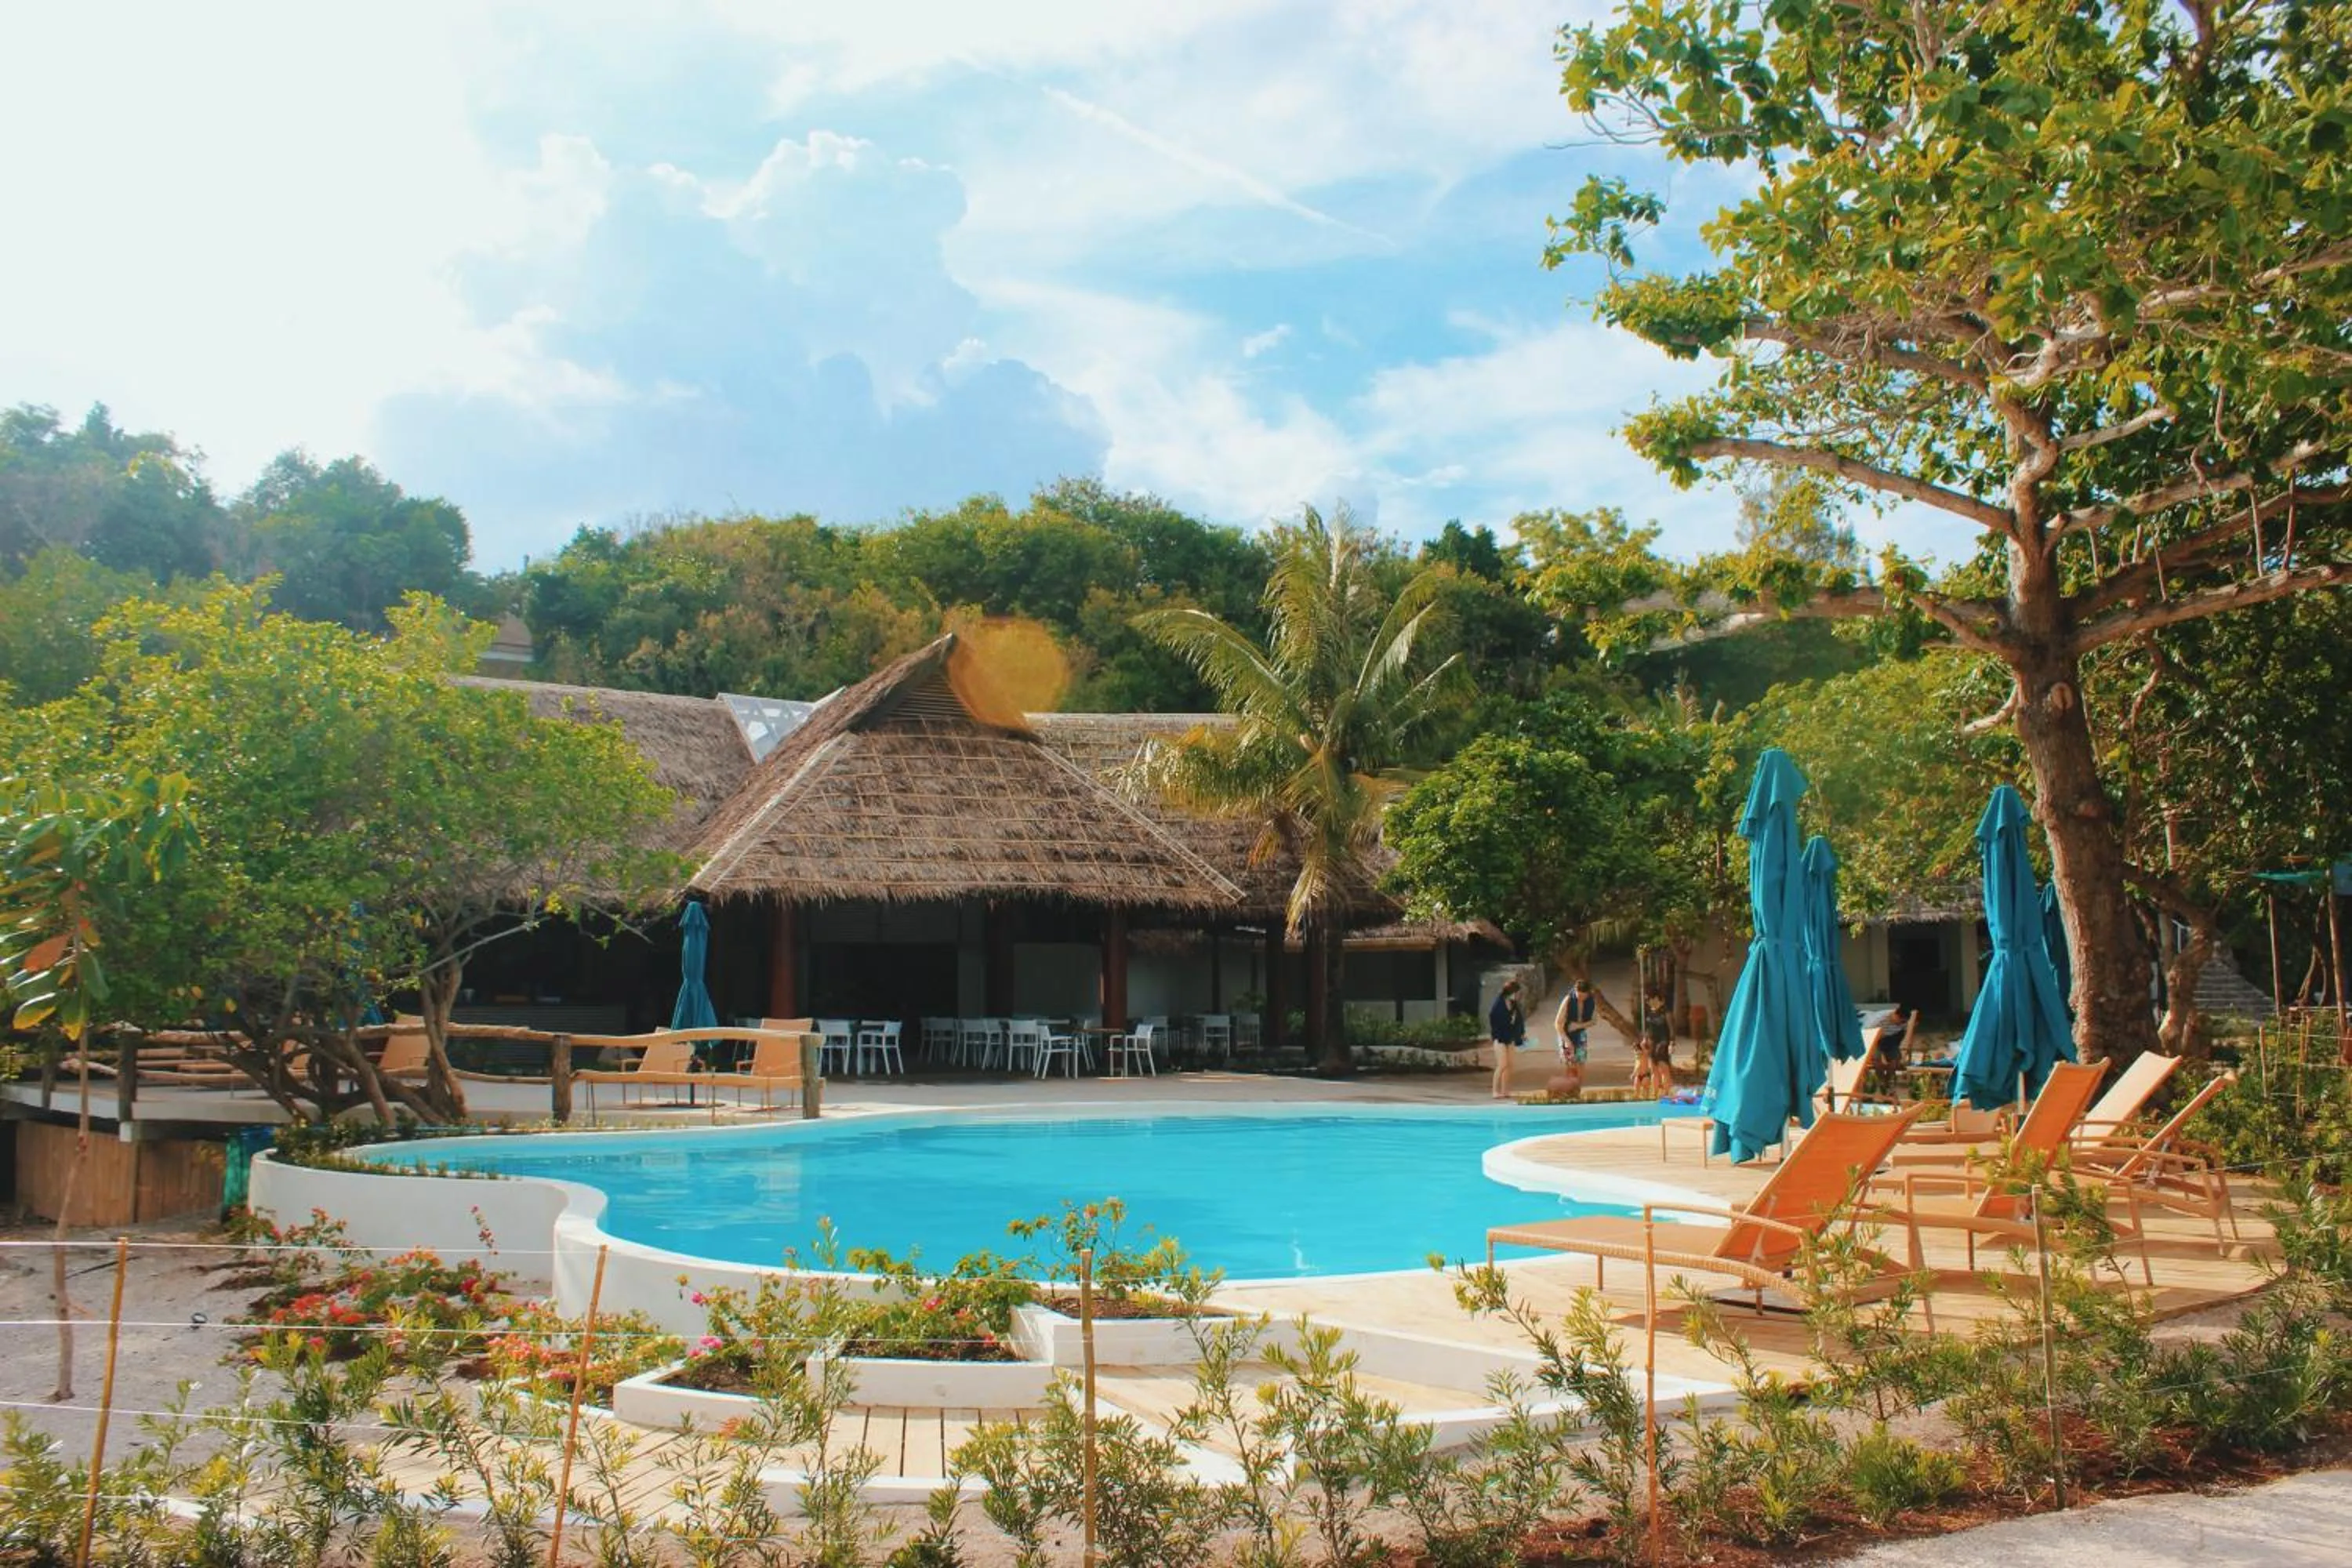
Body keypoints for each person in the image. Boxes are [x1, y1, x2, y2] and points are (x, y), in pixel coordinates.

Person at [1488, 978, 1527, 1098]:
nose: (1518, 996)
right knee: (1502, 1064)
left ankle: (1505, 1090)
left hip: (1510, 1037)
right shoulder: (1499, 1004)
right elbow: (1494, 1019)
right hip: (1500, 1037)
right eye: (1516, 993)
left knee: (1510, 1064)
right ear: (1511, 993)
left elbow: (1519, 1020)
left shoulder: (1514, 1005)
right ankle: (1495, 1090)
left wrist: (1521, 1033)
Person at [1554, 977, 1597, 1069]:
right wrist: (1567, 1041)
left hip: (1580, 1033)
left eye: (1583, 996)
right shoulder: (1568, 1000)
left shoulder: (1591, 1001)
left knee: (1581, 1063)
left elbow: (1594, 1021)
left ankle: (1578, 1081)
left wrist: (1578, 1026)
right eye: (1579, 996)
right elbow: (1558, 1024)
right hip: (1565, 1033)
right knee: (1570, 1064)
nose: (1580, 999)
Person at [1641, 988, 1675, 1096]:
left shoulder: (1665, 1011)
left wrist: (1672, 1043)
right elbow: (1648, 1028)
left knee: (1663, 1067)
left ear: (1656, 998)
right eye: (1646, 1001)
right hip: (1652, 1041)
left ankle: (1667, 1092)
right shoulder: (1650, 1012)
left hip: (1663, 1041)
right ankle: (1655, 1093)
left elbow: (1671, 1029)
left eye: (1649, 999)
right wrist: (1645, 1039)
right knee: (1653, 1068)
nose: (1648, 1002)